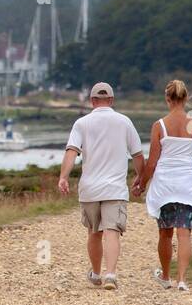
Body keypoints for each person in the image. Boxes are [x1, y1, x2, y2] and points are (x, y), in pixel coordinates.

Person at [58, 82, 145, 290]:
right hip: (115, 188)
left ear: (92, 101)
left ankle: (96, 273)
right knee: (112, 231)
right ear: (112, 100)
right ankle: (111, 275)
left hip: (90, 188)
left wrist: (63, 177)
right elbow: (138, 155)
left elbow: (71, 151)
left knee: (94, 232)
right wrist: (141, 178)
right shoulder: (124, 122)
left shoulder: (81, 123)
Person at [133, 79, 192, 292]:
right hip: (188, 184)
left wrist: (141, 183)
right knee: (184, 233)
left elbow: (153, 161)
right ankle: (182, 280)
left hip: (165, 185)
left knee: (165, 233)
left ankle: (166, 276)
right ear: (186, 99)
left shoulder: (160, 125)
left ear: (167, 99)